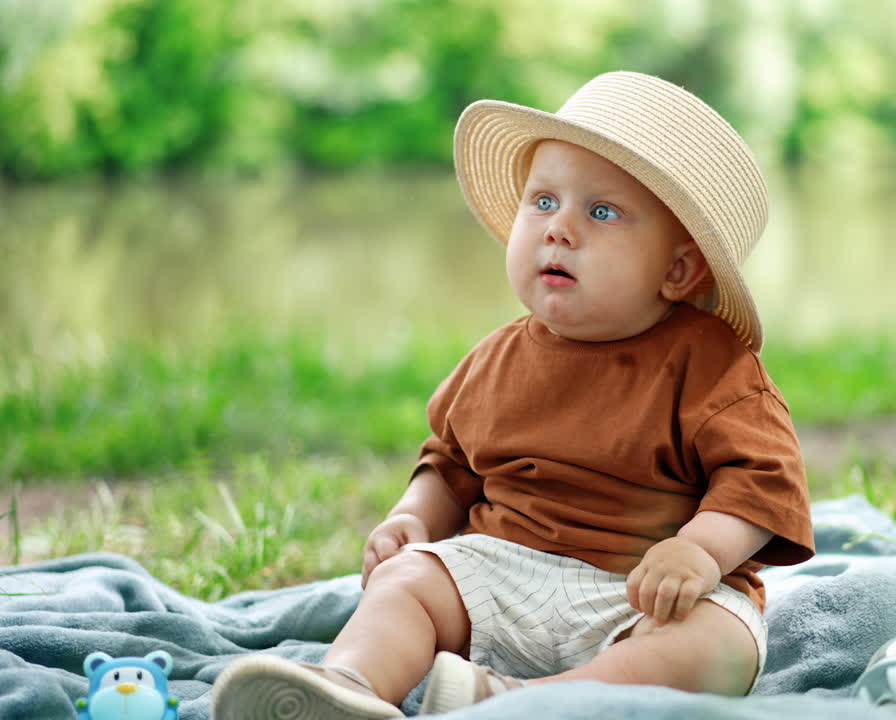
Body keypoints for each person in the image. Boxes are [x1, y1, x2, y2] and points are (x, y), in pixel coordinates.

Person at [210, 70, 815, 720]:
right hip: (504, 570)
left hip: (644, 593)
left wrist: (699, 550)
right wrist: (414, 517)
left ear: (678, 270)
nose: (559, 229)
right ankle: (347, 686)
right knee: (408, 581)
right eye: (544, 201)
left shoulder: (712, 363)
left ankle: (528, 704)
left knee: (717, 643)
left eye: (602, 211)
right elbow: (450, 464)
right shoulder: (496, 358)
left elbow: (761, 483)